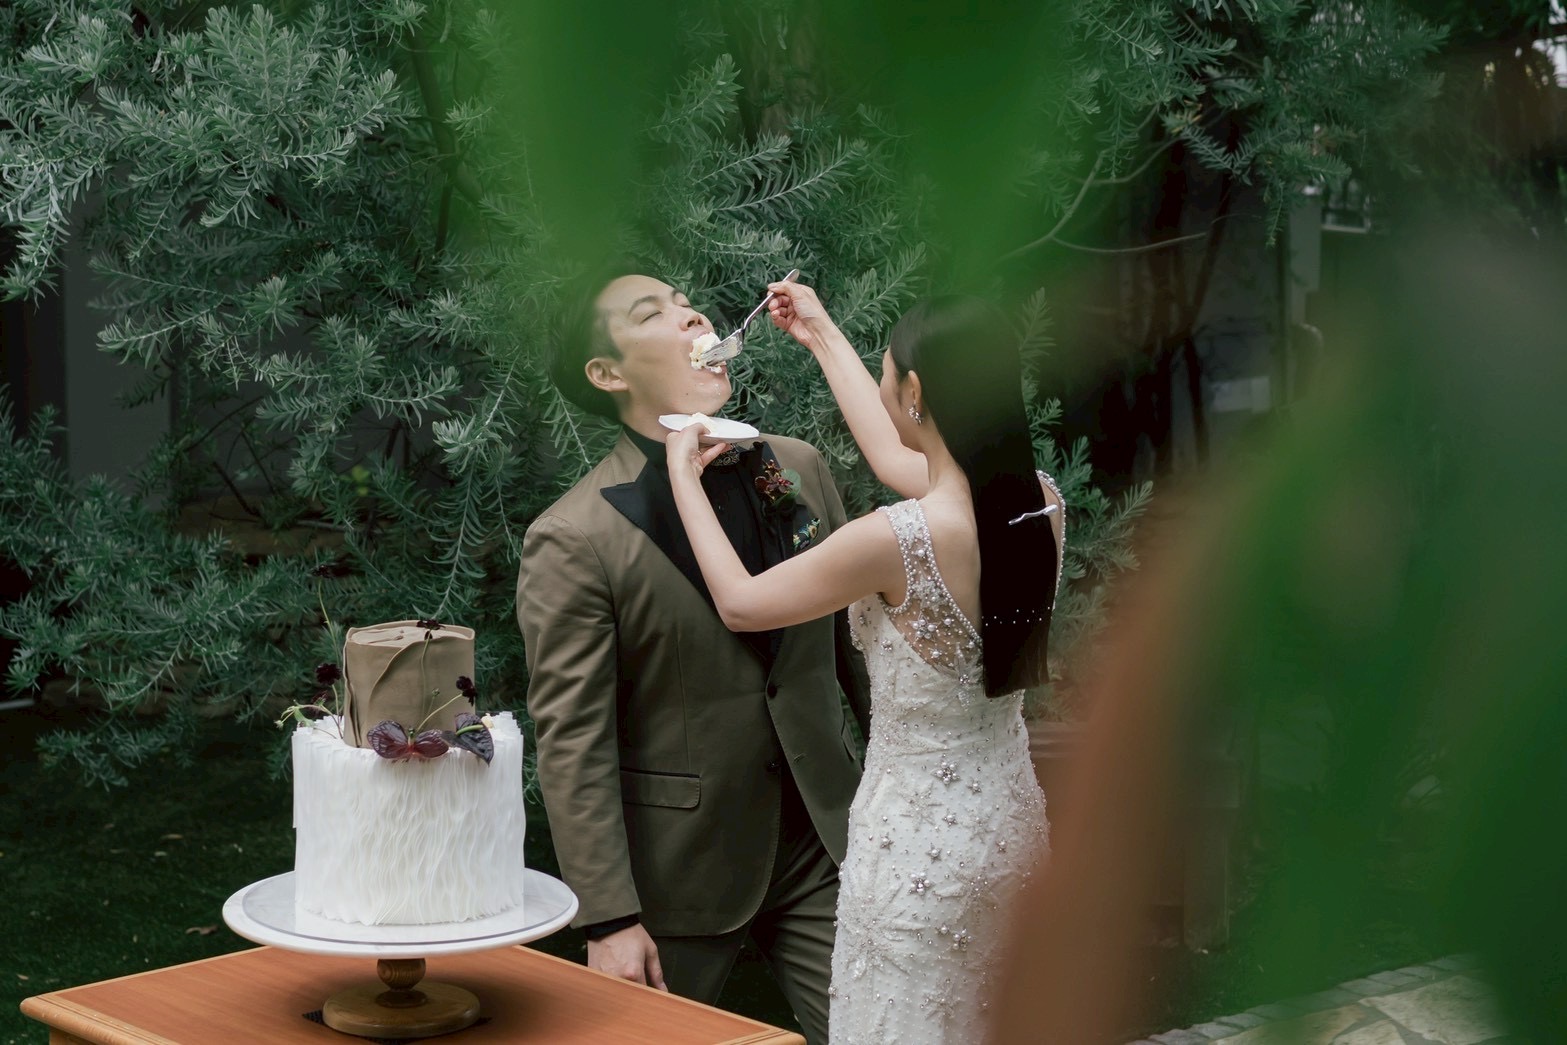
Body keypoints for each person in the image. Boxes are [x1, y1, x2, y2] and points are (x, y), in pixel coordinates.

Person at [665, 281, 1065, 1043]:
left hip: (915, 852)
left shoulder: (894, 540)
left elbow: (742, 603)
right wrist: (819, 333)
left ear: (913, 392)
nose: (883, 386)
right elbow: (890, 454)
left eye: (886, 373)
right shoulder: (1035, 503)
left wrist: (683, 474)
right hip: (1006, 829)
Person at [516, 271, 871, 1045]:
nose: (690, 315)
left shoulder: (799, 468)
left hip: (823, 845)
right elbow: (573, 742)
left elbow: (857, 651)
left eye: (686, 303)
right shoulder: (574, 537)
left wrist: (895, 806)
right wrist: (608, 917)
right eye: (654, 313)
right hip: (678, 873)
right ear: (607, 373)